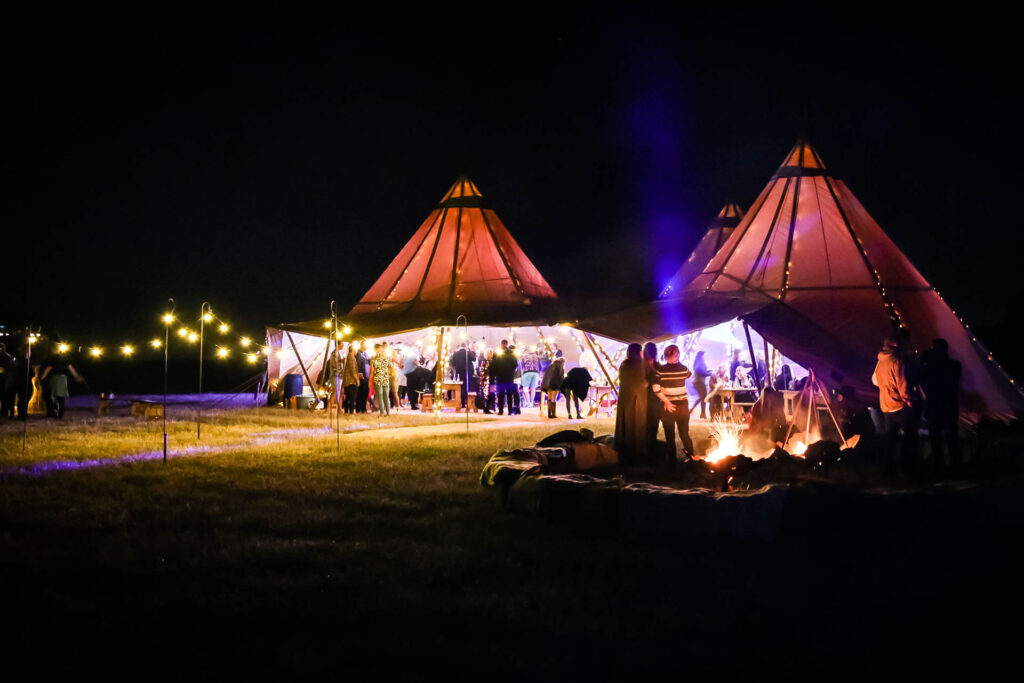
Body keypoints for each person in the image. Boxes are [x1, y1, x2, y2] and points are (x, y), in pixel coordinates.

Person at [872, 337, 917, 476]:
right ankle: (907, 468)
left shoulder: (880, 362)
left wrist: (886, 388)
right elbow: (902, 383)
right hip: (898, 405)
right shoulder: (896, 361)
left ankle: (888, 471)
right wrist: (908, 399)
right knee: (910, 436)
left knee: (890, 441)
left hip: (886, 406)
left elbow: (874, 380)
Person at [921, 338, 962, 477]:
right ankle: (952, 468)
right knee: (947, 440)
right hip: (946, 407)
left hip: (938, 407)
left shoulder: (937, 367)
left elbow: (921, 379)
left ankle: (945, 468)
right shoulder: (954, 366)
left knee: (941, 440)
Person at [651, 344, 693, 468]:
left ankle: (672, 464)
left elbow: (655, 388)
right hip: (682, 405)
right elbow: (689, 375)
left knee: (670, 436)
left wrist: (667, 402)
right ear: (678, 354)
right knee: (684, 433)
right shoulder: (685, 369)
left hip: (667, 407)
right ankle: (692, 460)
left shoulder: (659, 371)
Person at [614, 343, 648, 462]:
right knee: (635, 424)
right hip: (636, 399)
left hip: (625, 398)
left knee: (625, 423)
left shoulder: (624, 364)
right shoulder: (639, 365)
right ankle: (635, 451)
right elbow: (639, 383)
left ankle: (624, 448)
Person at [39, 352, 84, 419]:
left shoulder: (53, 361)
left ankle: (52, 413)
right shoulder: (65, 360)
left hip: (55, 379)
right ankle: (60, 415)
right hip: (63, 380)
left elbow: (48, 369)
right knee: (61, 398)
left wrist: (41, 378)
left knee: (52, 397)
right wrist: (77, 377)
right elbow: (71, 369)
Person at [642, 342, 662, 455]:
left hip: (655, 400)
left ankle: (651, 447)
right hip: (645, 399)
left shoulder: (658, 366)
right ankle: (645, 448)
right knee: (646, 426)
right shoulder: (641, 366)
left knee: (653, 425)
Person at [489, 340, 518, 416]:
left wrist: (496, 373)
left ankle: (501, 411)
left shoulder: (497, 353)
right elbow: (515, 364)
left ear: (501, 344)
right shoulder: (511, 353)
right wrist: (511, 371)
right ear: (506, 344)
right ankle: (510, 411)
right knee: (509, 395)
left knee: (500, 394)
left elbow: (493, 365)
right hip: (509, 377)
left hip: (500, 377)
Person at [449, 342, 476, 410]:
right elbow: (474, 359)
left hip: (458, 373)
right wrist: (469, 350)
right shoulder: (468, 353)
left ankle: (460, 402)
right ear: (465, 347)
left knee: (459, 387)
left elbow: (453, 364)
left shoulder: (455, 353)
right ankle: (465, 402)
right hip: (467, 373)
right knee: (466, 387)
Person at [540, 351, 565, 418]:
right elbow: (560, 376)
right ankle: (553, 414)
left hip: (547, 384)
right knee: (553, 398)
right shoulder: (560, 366)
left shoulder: (551, 365)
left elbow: (546, 375)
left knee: (549, 398)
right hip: (555, 384)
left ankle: (549, 414)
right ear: (563, 362)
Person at [369, 343, 392, 416]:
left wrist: (370, 380)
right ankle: (388, 412)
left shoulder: (373, 358)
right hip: (385, 379)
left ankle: (382, 412)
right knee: (386, 397)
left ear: (375, 349)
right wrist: (387, 374)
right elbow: (391, 368)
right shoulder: (386, 358)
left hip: (377, 380)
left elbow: (372, 371)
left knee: (380, 397)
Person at [691, 350, 711, 419]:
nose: (705, 357)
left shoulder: (697, 363)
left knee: (702, 398)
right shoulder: (700, 363)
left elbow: (702, 371)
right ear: (702, 356)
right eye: (704, 355)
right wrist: (710, 373)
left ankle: (700, 413)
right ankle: (703, 414)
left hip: (698, 382)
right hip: (700, 382)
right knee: (703, 398)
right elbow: (702, 373)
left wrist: (708, 372)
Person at [342, 344, 361, 414]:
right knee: (352, 397)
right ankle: (351, 412)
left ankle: (346, 411)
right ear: (353, 350)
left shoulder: (349, 357)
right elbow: (353, 371)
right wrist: (357, 380)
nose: (356, 351)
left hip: (348, 380)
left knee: (348, 397)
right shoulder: (351, 358)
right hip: (351, 381)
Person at [355, 343, 370, 413]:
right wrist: (359, 373)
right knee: (360, 393)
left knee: (365, 393)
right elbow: (357, 364)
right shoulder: (358, 354)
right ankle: (358, 408)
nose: (367, 346)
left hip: (367, 376)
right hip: (361, 376)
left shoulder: (366, 354)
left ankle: (364, 408)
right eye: (366, 345)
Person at [0, 342, 13, 418]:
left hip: (4, 379)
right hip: (2, 378)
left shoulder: (7, 356)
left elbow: (7, 368)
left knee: (4, 396)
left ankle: (4, 412)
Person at [477, 349, 493, 414]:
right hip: (487, 381)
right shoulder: (486, 362)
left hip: (487, 380)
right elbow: (484, 372)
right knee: (487, 395)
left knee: (489, 394)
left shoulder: (485, 362)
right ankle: (486, 408)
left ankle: (487, 407)